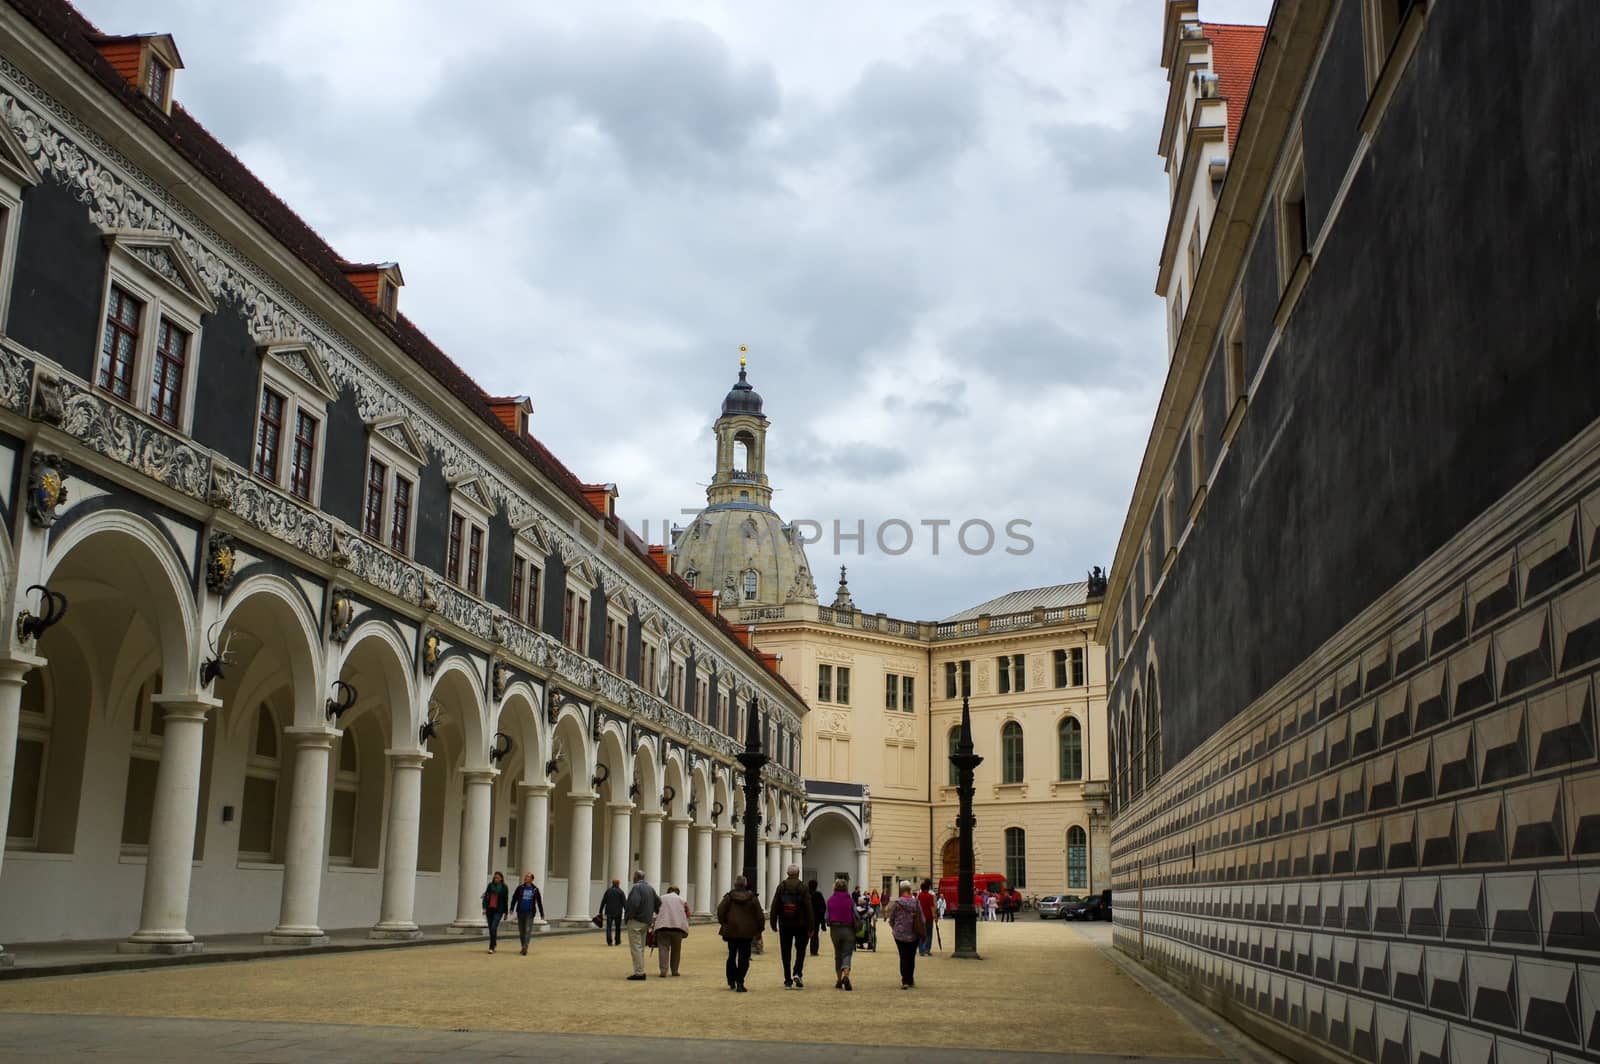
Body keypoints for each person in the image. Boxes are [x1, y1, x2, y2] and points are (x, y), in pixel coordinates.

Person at [768, 863, 814, 989]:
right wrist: (811, 927)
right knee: (801, 950)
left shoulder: (781, 886)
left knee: (785, 951)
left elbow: (775, 904)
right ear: (798, 873)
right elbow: (809, 908)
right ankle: (797, 972)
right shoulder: (803, 887)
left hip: (784, 923)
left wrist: (773, 922)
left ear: (788, 874)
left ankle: (787, 979)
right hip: (801, 924)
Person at [716, 875, 764, 992]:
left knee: (732, 955)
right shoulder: (752, 898)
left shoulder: (729, 897)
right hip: (747, 932)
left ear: (735, 885)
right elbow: (759, 915)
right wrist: (759, 929)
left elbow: (720, 911)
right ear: (745, 884)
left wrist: (724, 923)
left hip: (731, 930)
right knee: (744, 957)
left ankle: (731, 980)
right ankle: (740, 981)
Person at [886, 880, 926, 989]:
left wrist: (894, 928)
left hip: (900, 934)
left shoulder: (897, 903)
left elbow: (891, 918)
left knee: (903, 956)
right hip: (914, 934)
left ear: (901, 890)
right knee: (911, 957)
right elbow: (922, 919)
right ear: (909, 890)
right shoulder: (916, 903)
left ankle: (905, 980)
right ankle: (910, 978)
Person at [623, 869, 661, 981]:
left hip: (636, 921)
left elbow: (634, 903)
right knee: (641, 948)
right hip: (646, 921)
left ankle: (639, 972)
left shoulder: (636, 888)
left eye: (634, 876)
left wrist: (628, 916)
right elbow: (658, 902)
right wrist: (653, 913)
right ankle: (641, 970)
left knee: (636, 948)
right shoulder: (650, 888)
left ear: (636, 877)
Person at [825, 878, 857, 991]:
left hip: (835, 929)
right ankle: (846, 976)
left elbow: (826, 917)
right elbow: (856, 914)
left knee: (838, 954)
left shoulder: (830, 900)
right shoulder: (850, 900)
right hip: (848, 929)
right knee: (847, 953)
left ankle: (839, 980)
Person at [653, 884, 691, 978]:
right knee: (676, 950)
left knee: (663, 949)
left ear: (668, 891)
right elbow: (688, 913)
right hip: (677, 928)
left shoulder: (661, 898)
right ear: (678, 892)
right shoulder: (682, 900)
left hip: (663, 927)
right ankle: (674, 971)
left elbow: (656, 910)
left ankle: (663, 970)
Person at [509, 872, 545, 956]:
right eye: (526, 876)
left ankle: (525, 947)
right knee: (522, 931)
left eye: (528, 877)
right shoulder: (520, 888)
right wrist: (511, 908)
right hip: (520, 911)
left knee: (527, 930)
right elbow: (514, 898)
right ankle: (523, 946)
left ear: (532, 879)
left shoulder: (535, 890)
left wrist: (542, 913)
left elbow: (539, 902)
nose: (526, 878)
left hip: (530, 912)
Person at [480, 871, 509, 954]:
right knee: (491, 929)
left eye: (497, 878)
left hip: (499, 910)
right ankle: (494, 943)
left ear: (501, 879)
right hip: (490, 909)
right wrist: (484, 908)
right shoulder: (490, 886)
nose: (496, 879)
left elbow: (505, 900)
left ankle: (491, 947)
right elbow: (486, 897)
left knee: (493, 927)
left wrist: (506, 913)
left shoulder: (504, 888)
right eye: (495, 877)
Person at [598, 878, 626, 946]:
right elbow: (624, 903)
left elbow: (603, 901)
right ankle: (617, 941)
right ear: (618, 884)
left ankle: (609, 941)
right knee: (617, 927)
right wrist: (627, 912)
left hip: (609, 912)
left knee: (608, 927)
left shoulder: (608, 891)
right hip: (618, 912)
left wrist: (600, 911)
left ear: (612, 884)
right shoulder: (621, 892)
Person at [916, 879, 937, 956]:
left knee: (921, 933)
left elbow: (917, 906)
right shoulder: (930, 896)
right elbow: (932, 907)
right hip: (928, 917)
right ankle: (927, 949)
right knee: (929, 934)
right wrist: (935, 916)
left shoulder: (919, 896)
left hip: (921, 917)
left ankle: (921, 949)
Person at [807, 878, 827, 957]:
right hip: (816, 918)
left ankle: (802, 949)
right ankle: (814, 951)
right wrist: (823, 923)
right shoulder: (818, 894)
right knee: (815, 935)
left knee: (804, 934)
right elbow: (823, 907)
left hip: (807, 917)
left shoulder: (806, 894)